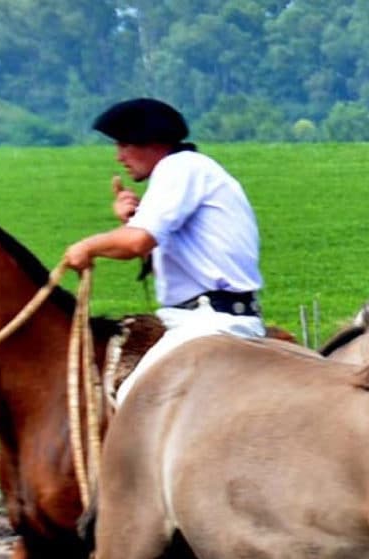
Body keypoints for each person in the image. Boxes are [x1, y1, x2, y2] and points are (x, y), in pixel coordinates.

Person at [60, 97, 266, 401]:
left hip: (210, 323)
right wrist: (131, 221)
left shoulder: (178, 169)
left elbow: (137, 242)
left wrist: (87, 246)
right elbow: (144, 243)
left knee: (134, 397)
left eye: (124, 145)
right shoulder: (187, 170)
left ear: (151, 142)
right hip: (205, 318)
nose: (119, 157)